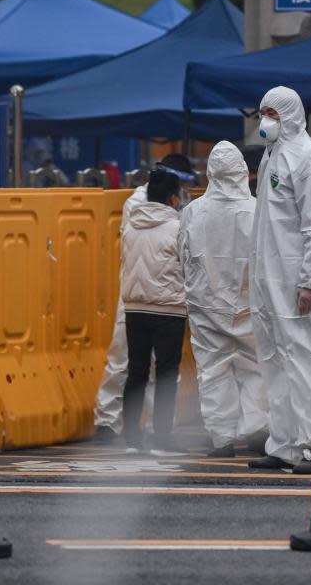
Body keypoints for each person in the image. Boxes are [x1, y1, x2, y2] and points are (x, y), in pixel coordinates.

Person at [248, 86, 311, 473]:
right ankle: (285, 444)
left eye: (271, 113)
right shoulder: (273, 157)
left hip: (295, 282)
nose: (264, 121)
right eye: (261, 113)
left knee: (304, 363)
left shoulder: (310, 159)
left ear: (290, 114)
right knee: (275, 362)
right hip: (270, 281)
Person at [92, 154, 194, 441]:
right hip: (144, 293)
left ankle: (148, 426)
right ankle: (109, 419)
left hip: (143, 295)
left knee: (145, 365)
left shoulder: (171, 206)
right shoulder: (139, 203)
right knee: (126, 359)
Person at [179, 141, 268, 458]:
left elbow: (183, 256)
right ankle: (257, 429)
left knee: (214, 372)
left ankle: (222, 438)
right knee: (255, 367)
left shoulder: (193, 211)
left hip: (207, 305)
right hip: (251, 303)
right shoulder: (258, 210)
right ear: (243, 172)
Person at [120, 165, 189, 457]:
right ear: (174, 198)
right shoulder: (178, 227)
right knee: (166, 373)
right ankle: (162, 436)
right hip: (169, 309)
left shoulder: (131, 225)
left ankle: (132, 436)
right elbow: (189, 266)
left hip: (135, 307)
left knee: (136, 371)